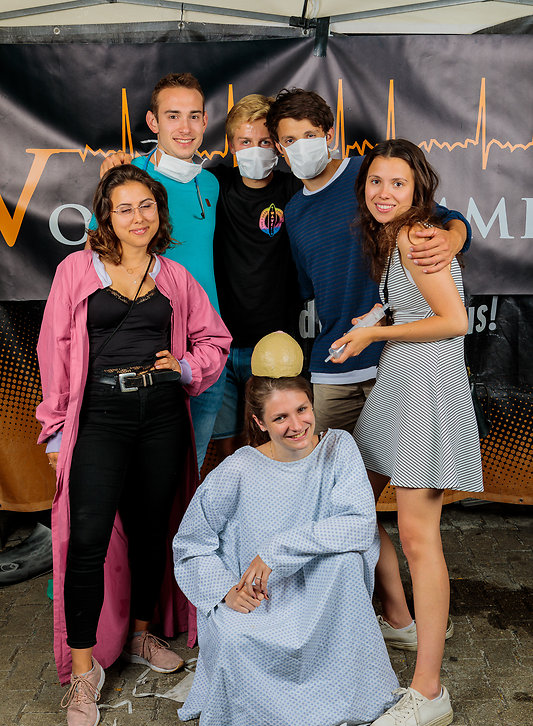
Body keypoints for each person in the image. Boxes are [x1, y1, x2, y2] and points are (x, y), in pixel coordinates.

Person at [37, 164, 231, 726]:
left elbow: (214, 338)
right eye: (124, 208)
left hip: (161, 416)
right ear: (105, 217)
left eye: (146, 206)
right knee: (87, 541)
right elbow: (55, 350)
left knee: (152, 531)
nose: (138, 217)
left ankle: (142, 634)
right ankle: (83, 672)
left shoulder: (174, 276)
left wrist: (187, 367)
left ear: (159, 213)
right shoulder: (76, 271)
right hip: (99, 416)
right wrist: (55, 430)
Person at [173, 332, 398, 726]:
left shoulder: (339, 448)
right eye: (280, 418)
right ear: (259, 423)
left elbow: (359, 525)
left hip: (323, 594)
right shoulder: (238, 469)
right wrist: (224, 591)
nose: (296, 426)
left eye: (302, 409)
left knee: (348, 560)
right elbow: (190, 544)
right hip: (263, 597)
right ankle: (273, 716)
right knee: (236, 636)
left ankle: (347, 697)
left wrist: (276, 550)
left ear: (313, 405)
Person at [330, 139, 483, 726]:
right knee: (354, 505)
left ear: (419, 189)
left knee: (420, 539)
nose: (384, 192)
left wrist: (376, 336)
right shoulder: (398, 237)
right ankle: (399, 618)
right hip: (401, 383)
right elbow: (420, 304)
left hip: (425, 388)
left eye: (397, 182)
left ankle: (428, 692)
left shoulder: (421, 237)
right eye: (375, 181)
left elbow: (454, 320)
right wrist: (378, 317)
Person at [266, 89, 472, 436]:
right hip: (335, 362)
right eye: (290, 139)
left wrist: (453, 238)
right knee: (330, 463)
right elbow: (308, 287)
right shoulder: (295, 211)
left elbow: (445, 218)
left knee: (402, 461)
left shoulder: (371, 175)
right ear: (278, 147)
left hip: (392, 359)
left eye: (310, 135)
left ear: (329, 135)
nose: (301, 146)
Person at [96, 73, 222, 470]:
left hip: (204, 346)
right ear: (153, 122)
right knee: (144, 474)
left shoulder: (211, 184)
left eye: (193, 116)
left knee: (188, 470)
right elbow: (93, 259)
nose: (185, 127)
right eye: (173, 116)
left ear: (205, 121)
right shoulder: (128, 177)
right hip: (148, 346)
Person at [210, 94, 302, 458]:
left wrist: (455, 226)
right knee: (225, 446)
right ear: (231, 145)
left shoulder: (293, 189)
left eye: (264, 142)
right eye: (245, 142)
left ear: (278, 146)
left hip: (273, 343)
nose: (255, 150)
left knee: (266, 443)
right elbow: (160, 182)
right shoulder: (215, 184)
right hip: (218, 343)